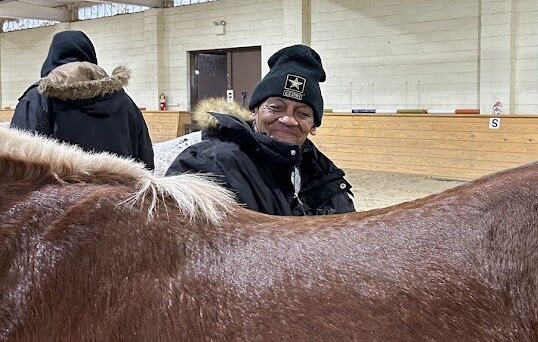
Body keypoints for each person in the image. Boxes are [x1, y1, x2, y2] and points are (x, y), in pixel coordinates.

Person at [166, 44, 354, 215]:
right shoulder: (206, 165)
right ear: (254, 111)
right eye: (275, 108)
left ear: (313, 126)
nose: (288, 119)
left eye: (302, 113)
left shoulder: (326, 176)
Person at [11, 30, 154, 169]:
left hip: (62, 185)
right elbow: (145, 162)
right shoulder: (125, 102)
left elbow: (17, 162)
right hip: (120, 185)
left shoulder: (38, 99)